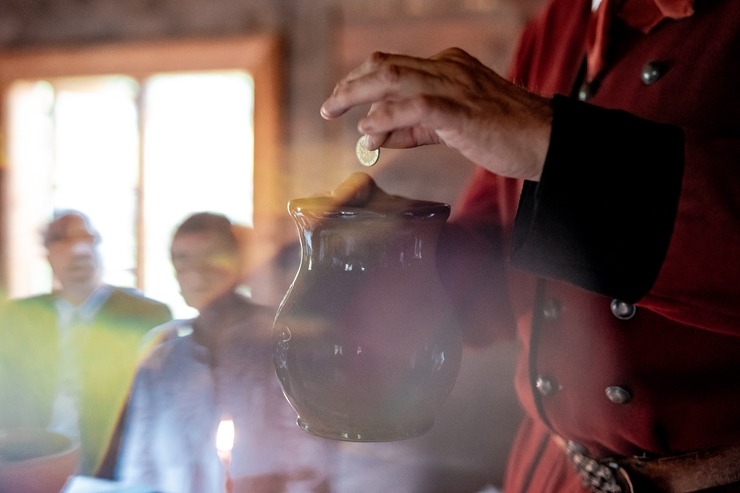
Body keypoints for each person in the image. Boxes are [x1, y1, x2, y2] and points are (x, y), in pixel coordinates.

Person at [320, 0, 740, 491]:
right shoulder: (561, 22)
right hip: (553, 474)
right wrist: (388, 247)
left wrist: (556, 142)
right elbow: (501, 254)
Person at [116, 212, 337, 493]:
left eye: (211, 256)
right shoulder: (162, 359)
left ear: (238, 262)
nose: (197, 272)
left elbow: (310, 460)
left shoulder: (281, 344)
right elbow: (140, 466)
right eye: (183, 259)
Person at [0, 210, 173, 477]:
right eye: (63, 242)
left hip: (117, 464)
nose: (78, 250)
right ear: (48, 256)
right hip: (32, 462)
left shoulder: (144, 316)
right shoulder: (21, 316)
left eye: (86, 239)